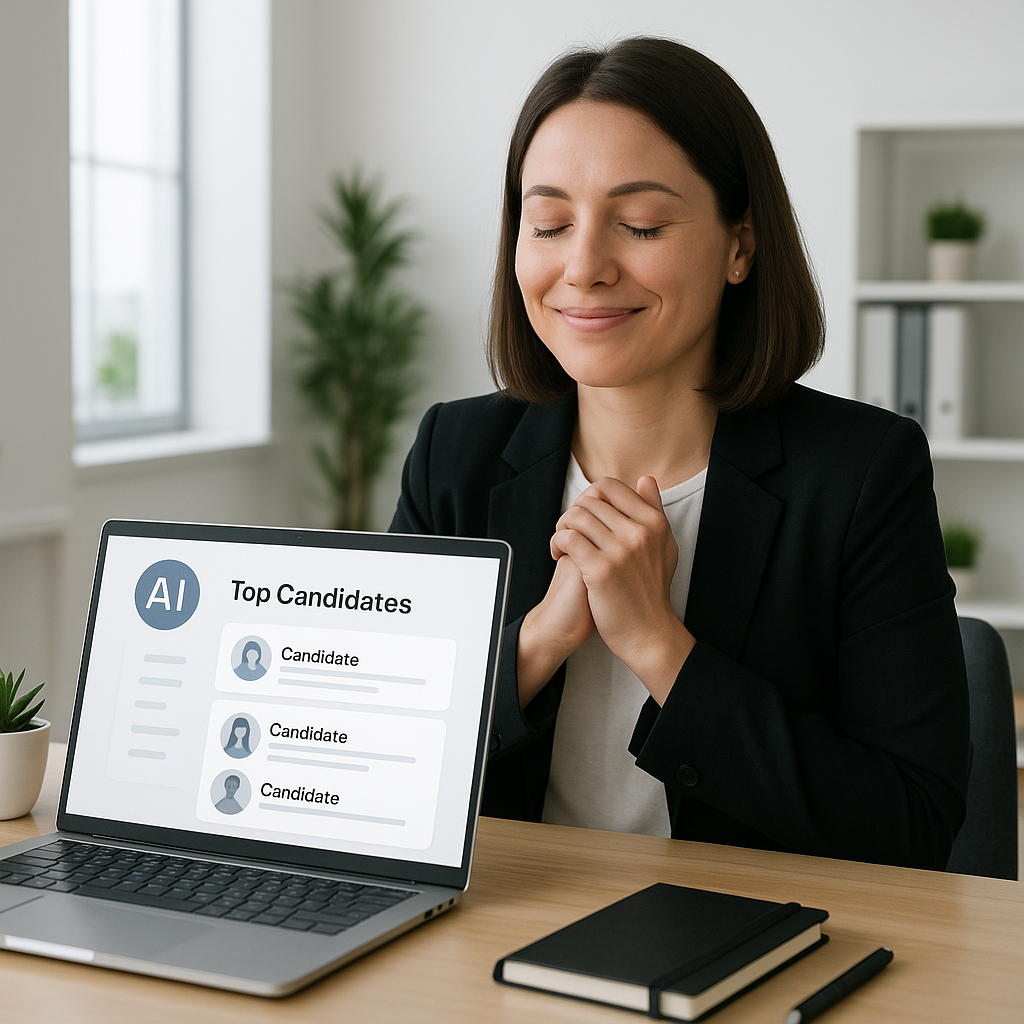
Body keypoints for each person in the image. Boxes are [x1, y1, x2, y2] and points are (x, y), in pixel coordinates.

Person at [390, 37, 970, 870]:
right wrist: (538, 644)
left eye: (639, 224)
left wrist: (662, 645)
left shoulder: (861, 472)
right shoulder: (455, 452)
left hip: (738, 952)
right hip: (493, 942)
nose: (583, 267)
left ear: (741, 246)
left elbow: (911, 826)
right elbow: (370, 768)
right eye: (548, 223)